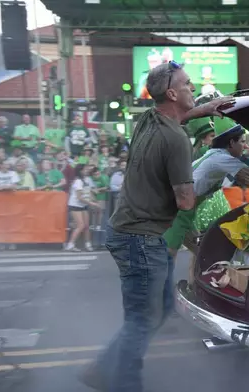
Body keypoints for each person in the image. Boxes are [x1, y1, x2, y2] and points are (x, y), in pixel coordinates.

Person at [79, 60, 233, 392]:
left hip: (132, 233)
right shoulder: (177, 141)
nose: (194, 88)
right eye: (188, 84)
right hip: (140, 238)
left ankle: (102, 369)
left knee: (162, 307)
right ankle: (123, 384)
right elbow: (186, 202)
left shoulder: (146, 119)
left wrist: (208, 107)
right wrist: (205, 182)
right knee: (142, 319)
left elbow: (180, 115)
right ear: (172, 92)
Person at [163, 122, 249, 259]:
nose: (245, 146)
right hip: (180, 208)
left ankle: (200, 279)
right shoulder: (220, 157)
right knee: (168, 254)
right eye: (242, 142)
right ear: (231, 142)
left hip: (185, 207)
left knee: (201, 252)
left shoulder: (210, 154)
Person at [65, 164, 99, 252]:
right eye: (85, 169)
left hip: (83, 205)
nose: (87, 170)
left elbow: (88, 192)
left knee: (86, 226)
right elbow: (80, 197)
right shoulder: (78, 182)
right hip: (75, 205)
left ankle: (88, 244)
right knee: (80, 225)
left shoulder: (87, 180)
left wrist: (94, 200)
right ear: (81, 171)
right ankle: (70, 244)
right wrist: (91, 203)